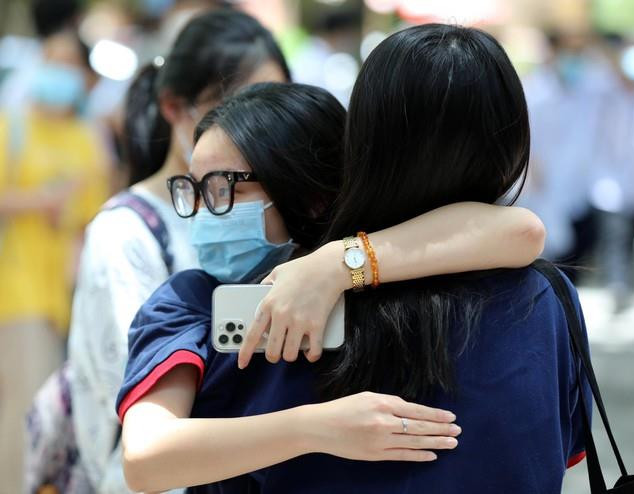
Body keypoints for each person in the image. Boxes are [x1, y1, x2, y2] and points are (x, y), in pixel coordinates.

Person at [116, 75, 552, 492]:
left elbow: (521, 232)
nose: (201, 211)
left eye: (222, 189)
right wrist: (315, 428)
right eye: (193, 190)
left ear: (310, 195)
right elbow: (145, 459)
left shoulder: (378, 276)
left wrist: (335, 266)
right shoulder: (189, 300)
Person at [66, 9, 290, 494]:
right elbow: (146, 428)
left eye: (274, 102)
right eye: (241, 102)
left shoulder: (289, 227)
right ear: (174, 107)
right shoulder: (126, 233)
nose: (258, 123)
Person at [0, 29, 109, 492]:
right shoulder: (11, 126)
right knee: (22, 409)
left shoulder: (88, 138)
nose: (56, 71)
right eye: (50, 59)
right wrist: (40, 202)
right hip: (14, 288)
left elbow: (92, 219)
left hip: (61, 296)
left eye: (67, 63)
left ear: (85, 77)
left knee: (45, 409)